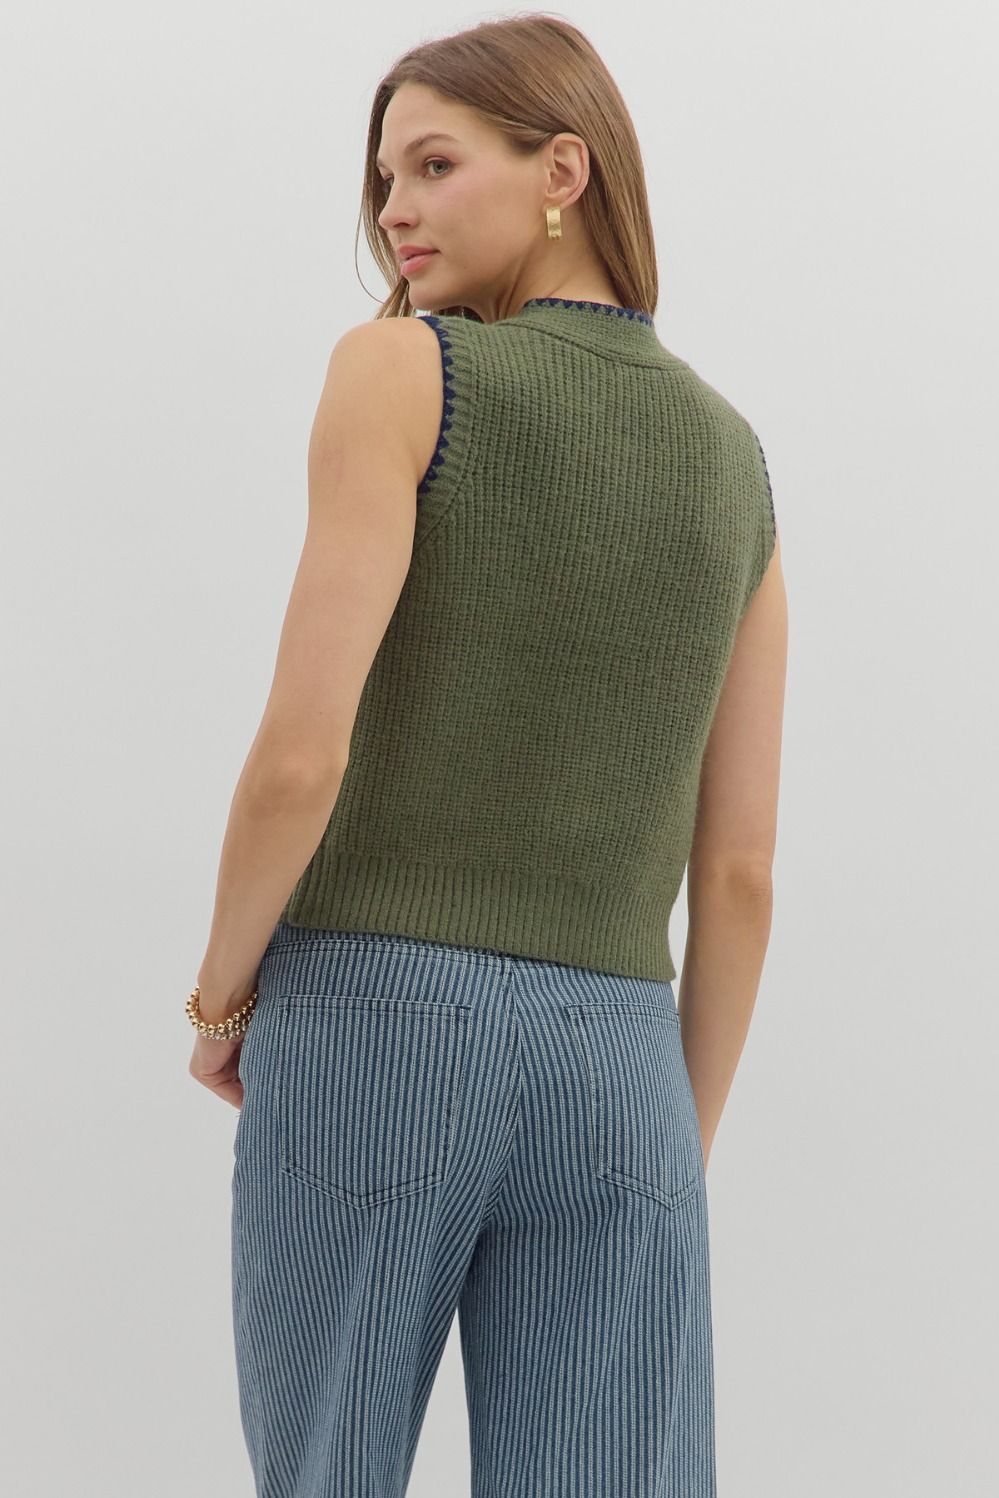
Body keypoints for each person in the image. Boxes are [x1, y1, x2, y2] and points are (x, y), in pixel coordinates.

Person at [187, 15, 787, 1497]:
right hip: (624, 1065)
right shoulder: (736, 461)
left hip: (374, 1024)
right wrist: (669, 1138)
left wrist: (219, 1000)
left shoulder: (401, 371)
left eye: (436, 165)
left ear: (562, 172)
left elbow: (298, 759)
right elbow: (740, 872)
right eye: (384, 177)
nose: (395, 209)